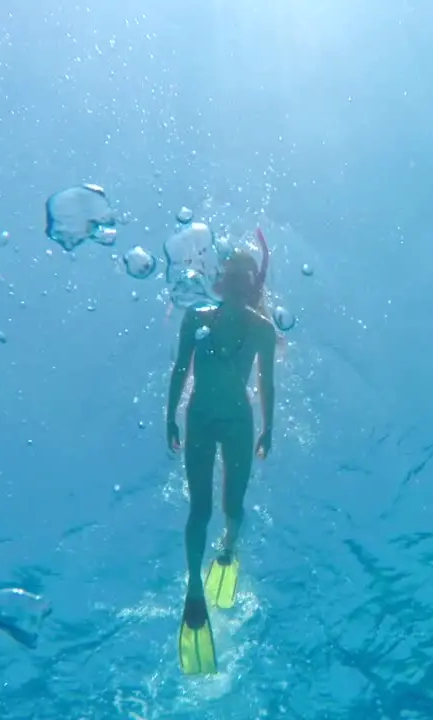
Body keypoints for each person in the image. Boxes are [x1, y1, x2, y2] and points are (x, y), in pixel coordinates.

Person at [167, 232, 276, 673]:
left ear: (253, 286)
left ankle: (228, 549)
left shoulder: (263, 329)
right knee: (200, 508)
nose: (236, 283)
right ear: (219, 281)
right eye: (230, 275)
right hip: (199, 419)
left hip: (237, 424)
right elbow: (179, 368)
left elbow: (267, 382)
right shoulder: (196, 319)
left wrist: (269, 428)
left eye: (244, 277)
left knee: (233, 505)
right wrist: (168, 415)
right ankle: (195, 589)